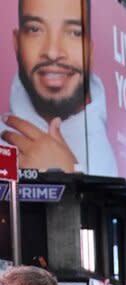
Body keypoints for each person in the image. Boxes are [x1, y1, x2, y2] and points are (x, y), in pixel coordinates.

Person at [3, 0, 119, 175]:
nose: (52, 52)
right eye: (35, 29)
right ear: (17, 43)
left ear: (90, 50)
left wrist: (69, 175)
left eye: (74, 33)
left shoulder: (104, 147)